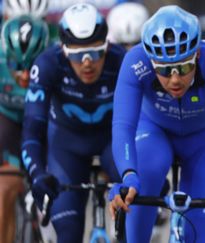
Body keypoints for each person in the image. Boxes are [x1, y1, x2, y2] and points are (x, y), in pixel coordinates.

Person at [108, 5, 205, 243]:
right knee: (145, 176)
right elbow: (123, 125)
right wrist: (128, 175)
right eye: (164, 70)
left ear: (197, 55)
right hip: (154, 133)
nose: (175, 79)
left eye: (183, 67)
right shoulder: (134, 61)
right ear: (151, 62)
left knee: (204, 227)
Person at [21, 3, 124, 242]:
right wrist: (37, 174)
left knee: (131, 223)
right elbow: (32, 130)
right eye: (78, 55)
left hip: (112, 143)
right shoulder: (47, 64)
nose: (87, 62)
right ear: (64, 51)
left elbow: (143, 121)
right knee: (68, 232)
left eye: (96, 52)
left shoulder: (121, 60)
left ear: (107, 47)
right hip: (67, 148)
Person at [0, 14, 49, 243]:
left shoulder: (55, 63)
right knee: (5, 188)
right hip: (7, 121)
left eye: (32, 65)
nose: (25, 75)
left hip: (43, 122)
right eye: (17, 66)